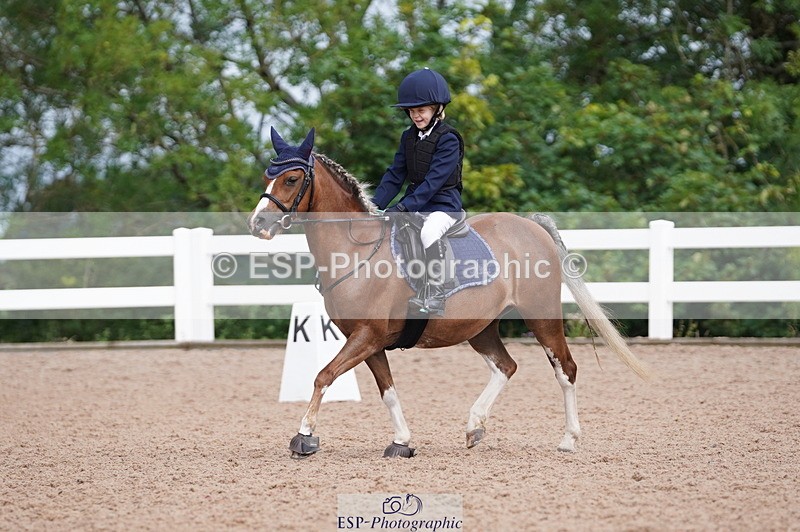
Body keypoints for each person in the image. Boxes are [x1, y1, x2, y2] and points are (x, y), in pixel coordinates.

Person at [372, 68, 465, 316]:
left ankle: (437, 293)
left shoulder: (449, 139)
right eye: (412, 111)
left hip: (443, 206)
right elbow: (395, 174)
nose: (415, 116)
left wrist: (403, 207)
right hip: (416, 204)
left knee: (428, 231)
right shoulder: (408, 138)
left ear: (436, 109)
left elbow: (433, 182)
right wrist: (372, 205)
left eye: (421, 110)